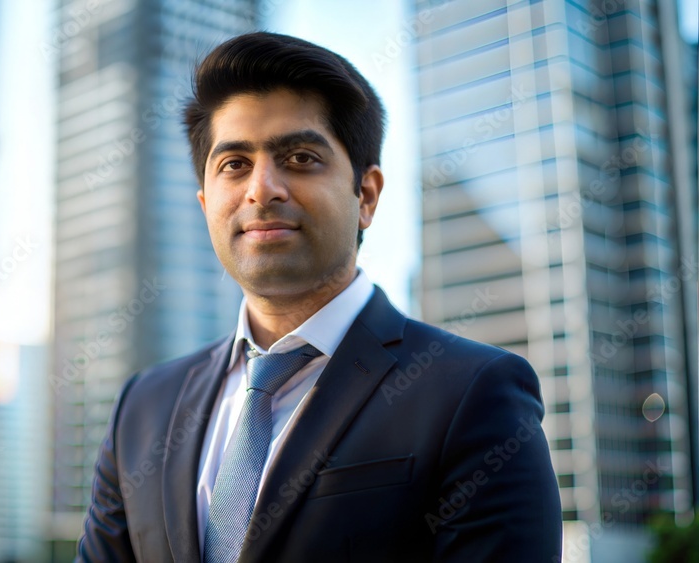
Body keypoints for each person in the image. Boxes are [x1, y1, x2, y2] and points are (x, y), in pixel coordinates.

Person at [78, 31, 562, 562]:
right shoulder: (143, 407)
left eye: (302, 157)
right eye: (234, 164)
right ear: (204, 203)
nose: (262, 189)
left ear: (367, 196)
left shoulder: (473, 392)